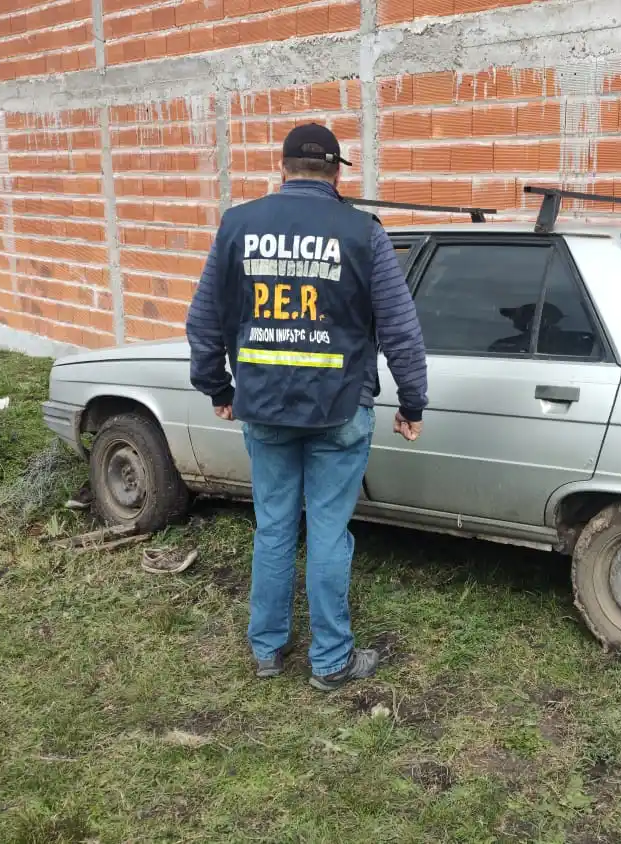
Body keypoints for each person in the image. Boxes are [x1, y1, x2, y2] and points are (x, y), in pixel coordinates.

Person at [185, 123, 428, 691]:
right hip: (340, 410)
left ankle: (268, 650)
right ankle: (330, 660)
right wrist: (412, 402)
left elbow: (203, 321)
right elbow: (401, 329)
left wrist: (218, 389)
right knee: (327, 532)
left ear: (283, 167)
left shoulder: (237, 225)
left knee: (273, 528)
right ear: (337, 172)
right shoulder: (362, 231)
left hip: (264, 408)